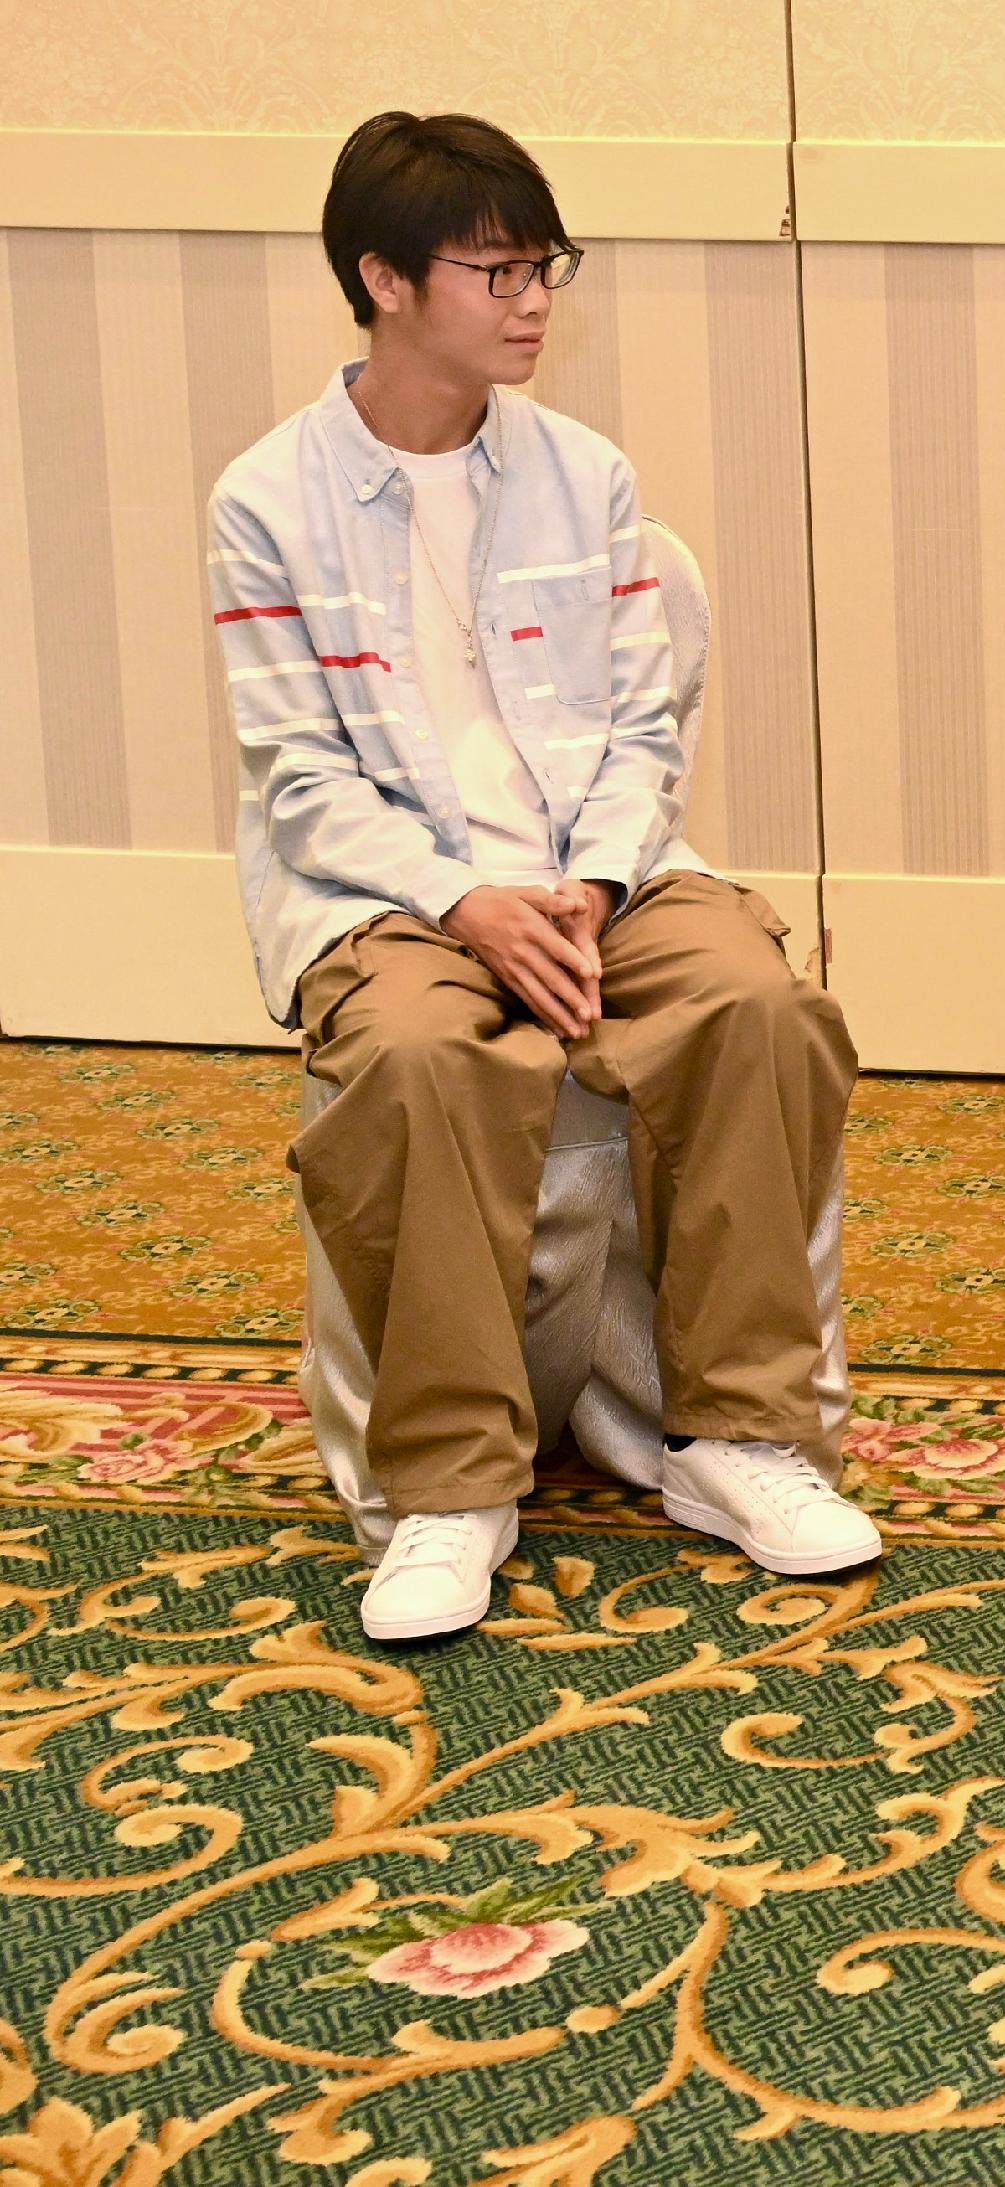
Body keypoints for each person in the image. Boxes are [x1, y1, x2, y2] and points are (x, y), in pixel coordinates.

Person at [212, 112, 875, 1645]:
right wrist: (466, 904)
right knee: (420, 1052)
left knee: (762, 1007)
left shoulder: (585, 476)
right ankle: (451, 1485)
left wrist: (587, 876)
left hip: (607, 870)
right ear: (384, 281)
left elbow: (646, 723)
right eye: (498, 268)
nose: (534, 300)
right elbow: (300, 778)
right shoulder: (268, 499)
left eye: (546, 266)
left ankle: (740, 1438)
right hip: (388, 895)